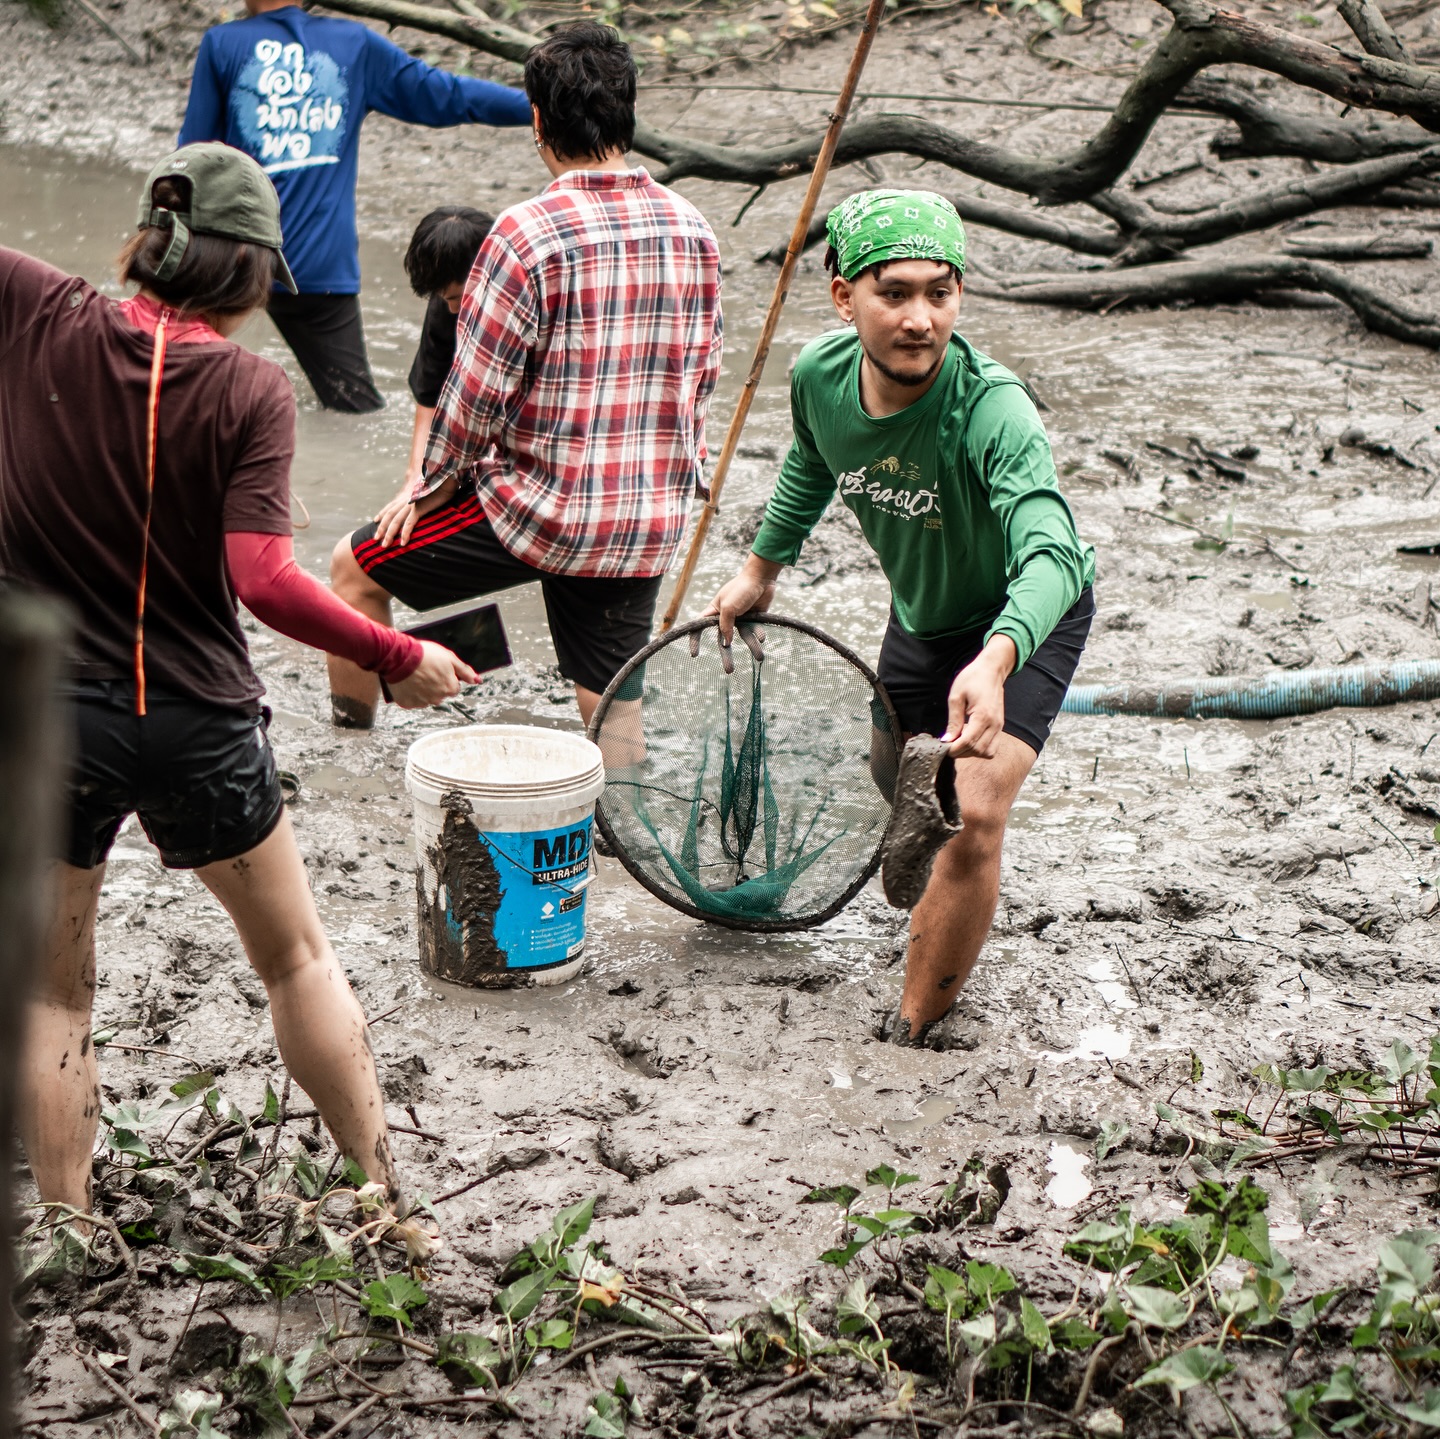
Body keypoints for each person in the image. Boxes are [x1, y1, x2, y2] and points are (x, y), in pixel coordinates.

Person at [0, 142, 475, 1222]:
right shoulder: (253, 387)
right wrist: (398, 657)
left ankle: (72, 1226)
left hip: (52, 720)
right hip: (197, 720)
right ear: (255, 276)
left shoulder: (36, 310)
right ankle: (380, 1194)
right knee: (295, 956)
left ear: (143, 239)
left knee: (53, 986)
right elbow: (262, 580)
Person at [706, 190, 1096, 1048]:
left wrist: (995, 662)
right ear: (843, 296)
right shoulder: (819, 376)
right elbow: (814, 457)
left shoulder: (994, 409)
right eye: (894, 293)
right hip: (922, 618)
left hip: (1022, 616)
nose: (920, 318)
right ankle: (944, 895)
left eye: (940, 292)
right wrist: (758, 571)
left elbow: (1054, 554)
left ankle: (912, 1028)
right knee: (904, 788)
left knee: (972, 808)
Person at [326, 20, 723, 735]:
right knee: (609, 701)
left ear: (537, 121)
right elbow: (703, 376)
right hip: (645, 520)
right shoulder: (695, 227)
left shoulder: (524, 233)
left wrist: (430, 485)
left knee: (352, 570)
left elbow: (475, 397)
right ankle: (619, 837)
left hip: (543, 514)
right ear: (627, 114)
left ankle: (349, 742)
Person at [177, 0, 530, 412]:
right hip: (318, 269)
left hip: (230, 260)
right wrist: (541, 108)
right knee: (354, 409)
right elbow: (449, 94)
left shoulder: (223, 43)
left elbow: (191, 163)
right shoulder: (352, 43)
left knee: (178, 386)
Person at [397, 206, 495, 504]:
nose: (452, 309)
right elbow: (429, 392)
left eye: (456, 298)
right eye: (444, 299)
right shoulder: (446, 302)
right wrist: (416, 476)